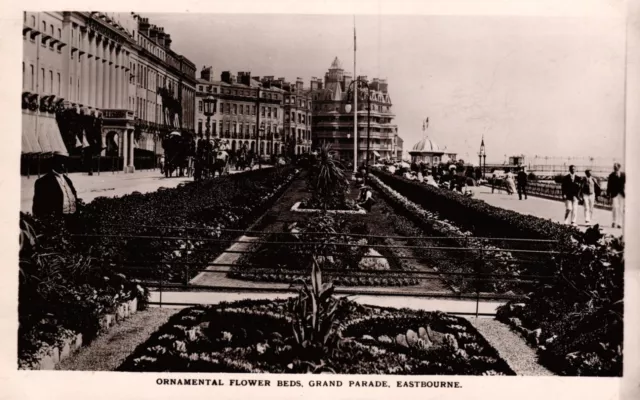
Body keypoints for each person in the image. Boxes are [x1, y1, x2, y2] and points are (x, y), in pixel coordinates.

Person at [32, 151, 79, 224]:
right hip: (57, 221)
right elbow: (38, 207)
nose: (63, 165)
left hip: (72, 219)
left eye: (65, 162)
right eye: (61, 161)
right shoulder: (42, 182)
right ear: (54, 162)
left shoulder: (68, 180)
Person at [607, 163, 625, 228]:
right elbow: (609, 185)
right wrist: (608, 194)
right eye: (614, 167)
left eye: (616, 167)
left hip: (622, 194)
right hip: (614, 194)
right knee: (614, 207)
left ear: (619, 167)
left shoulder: (623, 175)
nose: (615, 168)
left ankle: (620, 223)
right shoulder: (611, 175)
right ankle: (614, 221)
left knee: (621, 208)